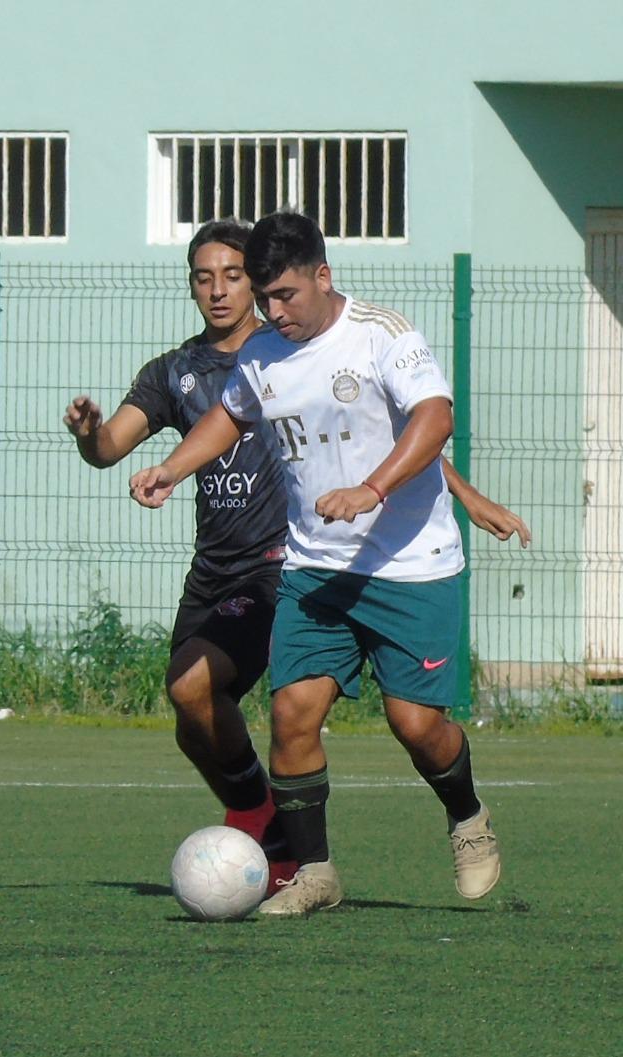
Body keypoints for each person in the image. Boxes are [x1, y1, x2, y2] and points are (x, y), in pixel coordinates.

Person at [77, 217, 528, 906]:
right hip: (316, 568)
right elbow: (230, 415)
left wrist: (373, 488)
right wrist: (170, 468)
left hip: (410, 566)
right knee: (291, 712)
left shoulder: (382, 334)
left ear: (323, 275)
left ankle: (467, 815)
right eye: (267, 296)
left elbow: (435, 418)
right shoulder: (262, 351)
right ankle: (315, 871)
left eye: (285, 294)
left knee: (416, 726)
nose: (274, 310)